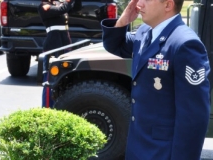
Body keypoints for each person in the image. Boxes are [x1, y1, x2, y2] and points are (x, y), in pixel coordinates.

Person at [101, 0, 210, 159]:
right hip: (138, 146)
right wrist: (124, 19)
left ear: (168, 5)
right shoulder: (145, 32)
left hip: (162, 151)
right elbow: (114, 45)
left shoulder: (184, 43)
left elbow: (193, 117)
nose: (139, 4)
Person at [38, 0, 74, 108]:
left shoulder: (58, 4)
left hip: (65, 46)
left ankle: (61, 107)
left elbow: (75, 7)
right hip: (53, 47)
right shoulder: (44, 6)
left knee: (65, 79)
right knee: (49, 81)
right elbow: (61, 10)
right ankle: (47, 108)